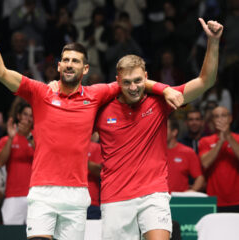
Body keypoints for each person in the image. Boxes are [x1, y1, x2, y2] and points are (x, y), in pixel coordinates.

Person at [0, 1, 182, 239]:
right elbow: (0, 72)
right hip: (43, 191)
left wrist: (165, 90)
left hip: (77, 195)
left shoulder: (96, 94)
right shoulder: (41, 93)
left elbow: (133, 81)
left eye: (76, 61)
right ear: (58, 66)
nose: (70, 64)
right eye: (66, 60)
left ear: (86, 69)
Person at [94, 18, 223, 240]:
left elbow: (205, 81)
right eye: (126, 82)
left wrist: (213, 42)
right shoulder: (102, 108)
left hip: (153, 194)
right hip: (115, 197)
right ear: (117, 81)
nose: (133, 88)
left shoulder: (159, 102)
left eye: (137, 81)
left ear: (146, 77)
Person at [199, 106, 239, 213]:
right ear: (212, 120)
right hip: (214, 200)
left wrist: (228, 136)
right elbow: (205, 163)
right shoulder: (205, 141)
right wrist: (220, 141)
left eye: (223, 115)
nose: (220, 119)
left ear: (230, 118)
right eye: (216, 116)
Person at [0, 102, 34, 225]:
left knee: (37, 235)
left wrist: (28, 136)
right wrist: (11, 138)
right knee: (11, 235)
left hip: (35, 196)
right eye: (25, 114)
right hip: (12, 195)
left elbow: (44, 157)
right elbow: (0, 163)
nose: (28, 118)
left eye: (31, 116)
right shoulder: (6, 140)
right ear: (18, 116)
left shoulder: (37, 138)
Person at [167, 117, 204, 192]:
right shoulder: (153, 152)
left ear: (174, 132)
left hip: (179, 201)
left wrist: (191, 192)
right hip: (158, 201)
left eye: (164, 128)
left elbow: (200, 178)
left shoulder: (187, 152)